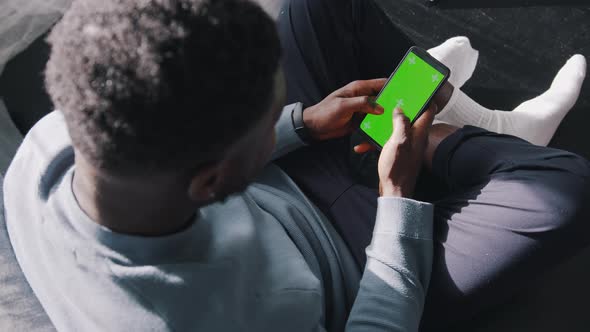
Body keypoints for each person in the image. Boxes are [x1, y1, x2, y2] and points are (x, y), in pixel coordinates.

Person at [3, 0, 588, 331]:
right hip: (359, 268)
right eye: (268, 120)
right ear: (214, 180)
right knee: (564, 190)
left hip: (273, 189)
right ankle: (474, 136)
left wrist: (301, 123)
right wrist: (397, 195)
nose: (283, 113)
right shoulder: (188, 320)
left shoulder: (56, 138)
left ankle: (453, 126)